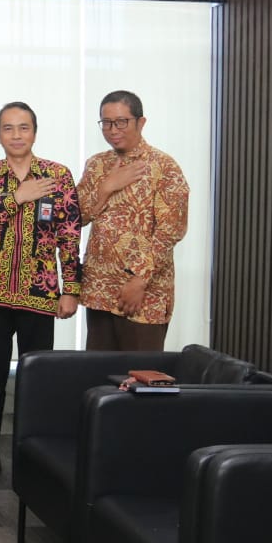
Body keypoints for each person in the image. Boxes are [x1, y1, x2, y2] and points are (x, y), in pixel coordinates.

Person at [0, 102, 81, 483]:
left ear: (35, 132)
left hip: (40, 291)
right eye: (8, 128)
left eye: (24, 127)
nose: (16, 135)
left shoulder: (58, 176)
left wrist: (71, 289)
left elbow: (69, 236)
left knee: (37, 379)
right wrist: (16, 198)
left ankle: (35, 453)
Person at [77, 90, 189, 351]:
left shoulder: (164, 166)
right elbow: (76, 217)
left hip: (144, 295)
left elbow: (171, 231)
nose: (113, 130)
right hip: (99, 292)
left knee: (140, 372)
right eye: (106, 123)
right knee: (96, 372)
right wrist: (106, 188)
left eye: (121, 122)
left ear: (141, 122)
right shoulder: (96, 165)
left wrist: (140, 280)